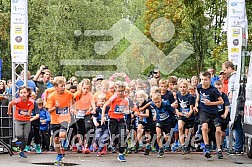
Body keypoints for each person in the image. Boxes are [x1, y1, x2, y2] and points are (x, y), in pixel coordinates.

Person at [195, 71, 223, 158]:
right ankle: (206, 147)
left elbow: (221, 101)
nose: (203, 81)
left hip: (213, 112)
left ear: (210, 80)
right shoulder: (199, 87)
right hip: (203, 111)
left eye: (205, 80)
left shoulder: (213, 90)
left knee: (218, 131)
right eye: (202, 79)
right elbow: (198, 97)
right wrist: (196, 104)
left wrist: (211, 103)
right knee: (204, 128)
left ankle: (219, 149)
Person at [46, 76, 74, 165]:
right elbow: (49, 110)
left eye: (64, 86)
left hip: (65, 118)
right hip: (54, 120)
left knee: (62, 135)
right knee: (56, 139)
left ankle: (64, 144)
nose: (63, 88)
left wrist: (72, 108)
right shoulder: (52, 96)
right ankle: (59, 153)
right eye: (61, 86)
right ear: (55, 87)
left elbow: (72, 103)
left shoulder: (69, 94)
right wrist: (55, 107)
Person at [101, 81, 129, 162]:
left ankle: (121, 154)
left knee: (122, 135)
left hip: (121, 120)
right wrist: (103, 116)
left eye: (122, 91)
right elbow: (105, 105)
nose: (120, 93)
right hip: (113, 119)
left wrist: (126, 111)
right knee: (114, 136)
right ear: (116, 90)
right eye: (119, 91)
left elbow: (127, 109)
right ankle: (117, 144)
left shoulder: (125, 99)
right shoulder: (114, 97)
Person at [222, 61, 243, 155]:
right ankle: (236, 146)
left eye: (224, 70)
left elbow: (232, 93)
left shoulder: (234, 78)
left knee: (236, 126)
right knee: (235, 126)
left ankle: (238, 147)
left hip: (235, 105)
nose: (224, 72)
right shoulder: (234, 77)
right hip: (234, 105)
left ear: (230, 68)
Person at [7, 86, 34, 158]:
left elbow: (29, 112)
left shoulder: (31, 101)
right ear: (19, 94)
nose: (23, 94)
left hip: (27, 120)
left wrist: (26, 113)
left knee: (25, 137)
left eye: (25, 93)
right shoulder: (17, 100)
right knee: (19, 135)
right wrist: (9, 112)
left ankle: (21, 150)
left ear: (28, 93)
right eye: (21, 93)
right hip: (18, 120)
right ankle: (17, 143)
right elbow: (10, 104)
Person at [151, 93, 177, 158]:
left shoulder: (166, 104)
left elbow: (173, 111)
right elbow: (149, 104)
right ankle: (160, 149)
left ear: (161, 100)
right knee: (158, 135)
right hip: (159, 121)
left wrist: (177, 113)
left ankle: (169, 144)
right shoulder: (153, 104)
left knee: (167, 137)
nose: (157, 104)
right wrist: (155, 115)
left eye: (159, 102)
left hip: (167, 122)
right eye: (155, 102)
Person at [74, 79, 96, 154]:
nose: (85, 90)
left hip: (87, 113)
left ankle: (86, 145)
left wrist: (93, 109)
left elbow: (93, 103)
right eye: (84, 88)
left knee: (88, 127)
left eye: (87, 88)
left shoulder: (90, 95)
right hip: (78, 112)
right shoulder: (78, 93)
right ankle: (80, 145)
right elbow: (71, 100)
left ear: (89, 88)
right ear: (81, 87)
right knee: (80, 130)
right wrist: (73, 109)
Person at [176, 80, 195, 155]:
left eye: (184, 87)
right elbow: (177, 105)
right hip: (181, 115)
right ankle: (183, 145)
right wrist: (177, 111)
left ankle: (187, 145)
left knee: (187, 133)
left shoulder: (190, 97)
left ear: (187, 88)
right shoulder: (178, 95)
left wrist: (189, 114)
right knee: (180, 127)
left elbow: (191, 109)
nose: (182, 89)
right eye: (181, 87)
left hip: (189, 116)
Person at [214, 80, 230, 159]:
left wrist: (225, 114)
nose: (218, 90)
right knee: (218, 130)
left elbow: (227, 107)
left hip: (224, 116)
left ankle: (220, 144)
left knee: (223, 134)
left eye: (219, 88)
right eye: (216, 88)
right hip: (216, 116)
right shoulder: (213, 97)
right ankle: (219, 149)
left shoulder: (224, 96)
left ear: (222, 88)